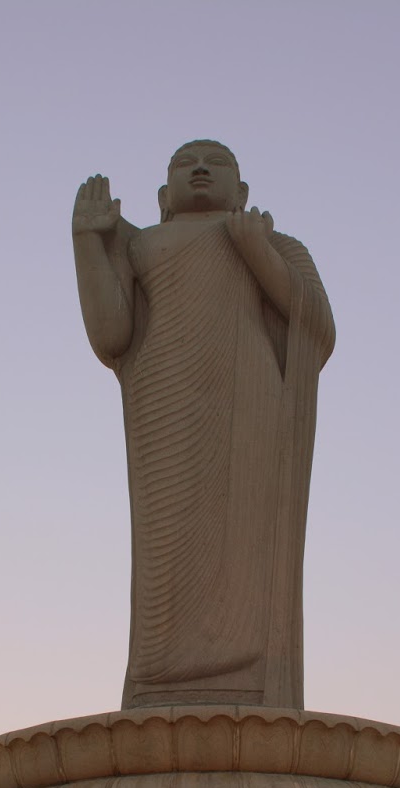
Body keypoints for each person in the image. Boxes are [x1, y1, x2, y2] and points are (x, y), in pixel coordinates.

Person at [72, 141, 336, 710]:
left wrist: (254, 248)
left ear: (240, 193)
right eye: (184, 162)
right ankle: (160, 674)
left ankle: (249, 665)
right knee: (168, 536)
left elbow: (314, 320)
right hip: (165, 399)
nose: (198, 168)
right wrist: (88, 244)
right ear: (164, 196)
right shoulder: (142, 244)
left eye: (214, 163)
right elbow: (112, 333)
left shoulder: (275, 243)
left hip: (249, 406)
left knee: (245, 527)